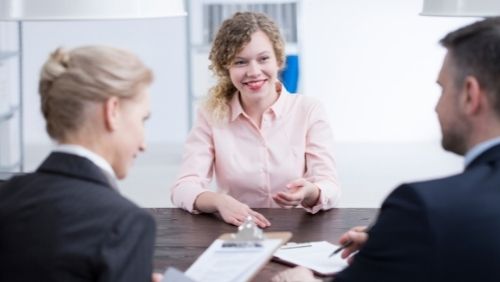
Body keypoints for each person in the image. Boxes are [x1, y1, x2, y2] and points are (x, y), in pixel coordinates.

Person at [272, 17, 500, 282]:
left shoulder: (421, 208)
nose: (436, 107)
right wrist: (401, 245)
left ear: (469, 95)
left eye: (443, 89)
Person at [0, 46, 163, 282]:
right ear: (113, 111)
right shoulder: (125, 224)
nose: (143, 144)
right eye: (142, 119)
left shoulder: (7, 195)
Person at [171, 11, 341, 228]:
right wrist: (218, 201)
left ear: (279, 60)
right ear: (226, 67)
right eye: (240, 62)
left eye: (263, 59)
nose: (254, 72)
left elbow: (331, 187)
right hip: (239, 233)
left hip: (299, 233)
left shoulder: (308, 110)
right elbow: (183, 187)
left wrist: (311, 193)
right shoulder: (210, 115)